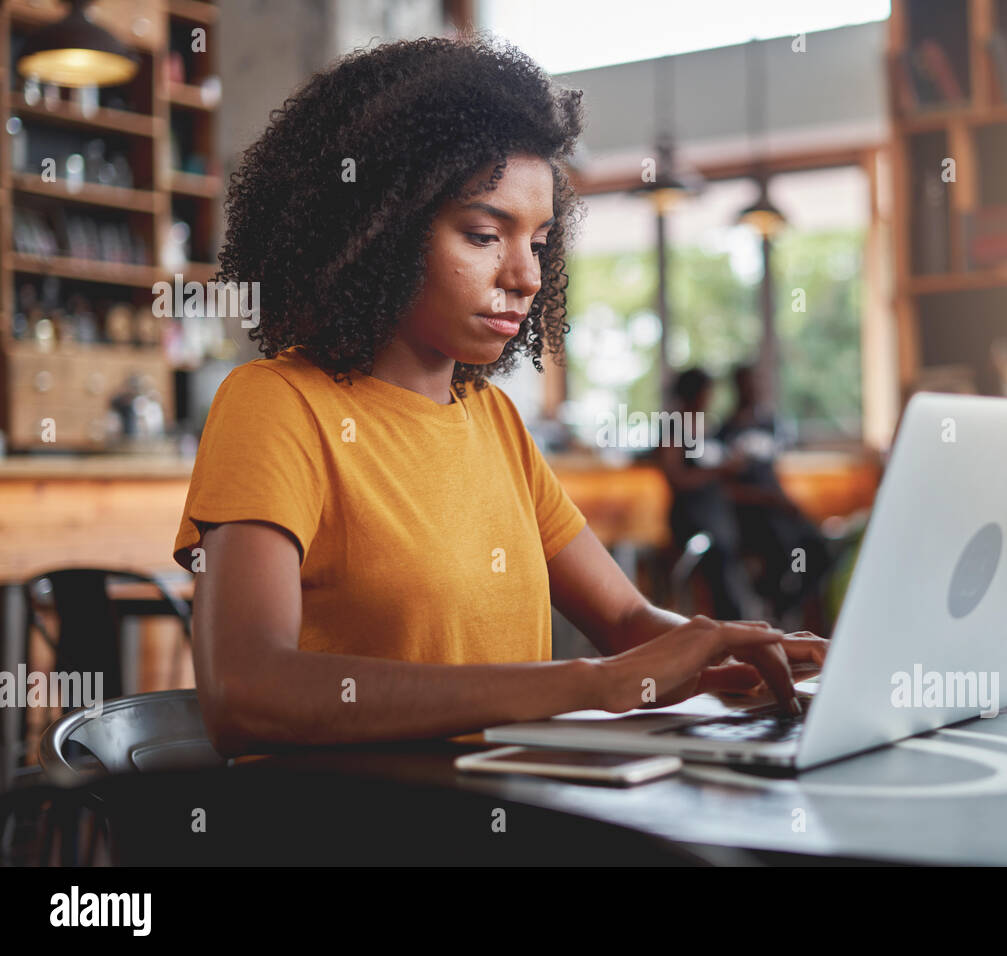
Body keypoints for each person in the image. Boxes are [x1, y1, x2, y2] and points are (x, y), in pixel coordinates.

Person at [173, 35, 826, 757]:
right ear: (376, 232)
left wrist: (748, 652)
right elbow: (246, 692)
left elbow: (628, 621)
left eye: (541, 243)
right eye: (485, 235)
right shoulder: (276, 406)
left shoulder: (492, 418)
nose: (526, 277)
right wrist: (589, 684)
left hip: (509, 807)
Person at [717, 366, 831, 626]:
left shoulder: (770, 426)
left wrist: (783, 501)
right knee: (783, 553)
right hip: (752, 517)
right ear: (737, 387)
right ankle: (772, 605)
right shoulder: (724, 432)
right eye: (747, 383)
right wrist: (766, 499)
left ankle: (783, 605)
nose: (754, 389)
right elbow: (726, 490)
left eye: (757, 382)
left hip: (781, 511)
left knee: (818, 549)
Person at [654, 368, 764, 621]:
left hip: (716, 513)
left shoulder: (707, 427)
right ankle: (734, 625)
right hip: (690, 516)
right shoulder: (674, 426)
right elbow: (678, 479)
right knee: (721, 555)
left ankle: (747, 620)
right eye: (707, 392)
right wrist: (719, 471)